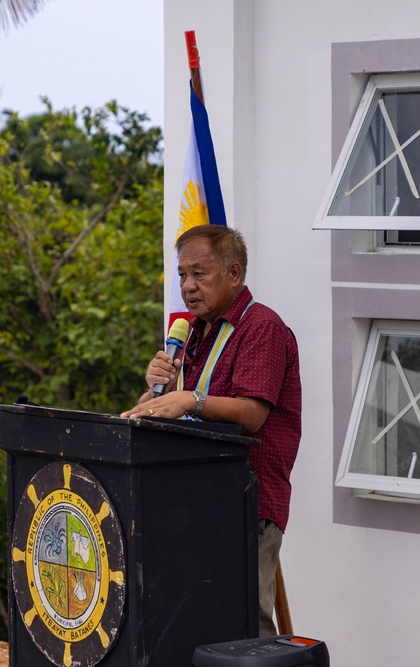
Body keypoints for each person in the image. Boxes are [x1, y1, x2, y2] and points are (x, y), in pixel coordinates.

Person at [121, 224, 301, 636]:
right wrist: (154, 392)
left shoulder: (262, 327)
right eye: (182, 275)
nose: (188, 286)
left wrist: (190, 400)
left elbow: (252, 414)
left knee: (243, 620)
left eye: (199, 274)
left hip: (246, 500)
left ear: (234, 274)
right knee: (195, 615)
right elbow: (170, 413)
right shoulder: (194, 334)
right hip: (192, 498)